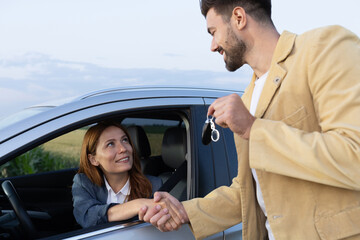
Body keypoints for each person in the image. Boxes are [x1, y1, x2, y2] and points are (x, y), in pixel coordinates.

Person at [139, 0, 360, 239]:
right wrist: (185, 212)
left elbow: (354, 154)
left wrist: (255, 129)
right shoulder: (249, 96)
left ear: (239, 18)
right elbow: (249, 190)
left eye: (213, 32)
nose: (212, 46)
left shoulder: (324, 47)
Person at [72, 121, 163, 228]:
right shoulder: (84, 182)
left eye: (125, 140)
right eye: (110, 144)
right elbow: (86, 216)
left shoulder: (154, 185)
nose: (123, 149)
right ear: (93, 159)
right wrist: (137, 205)